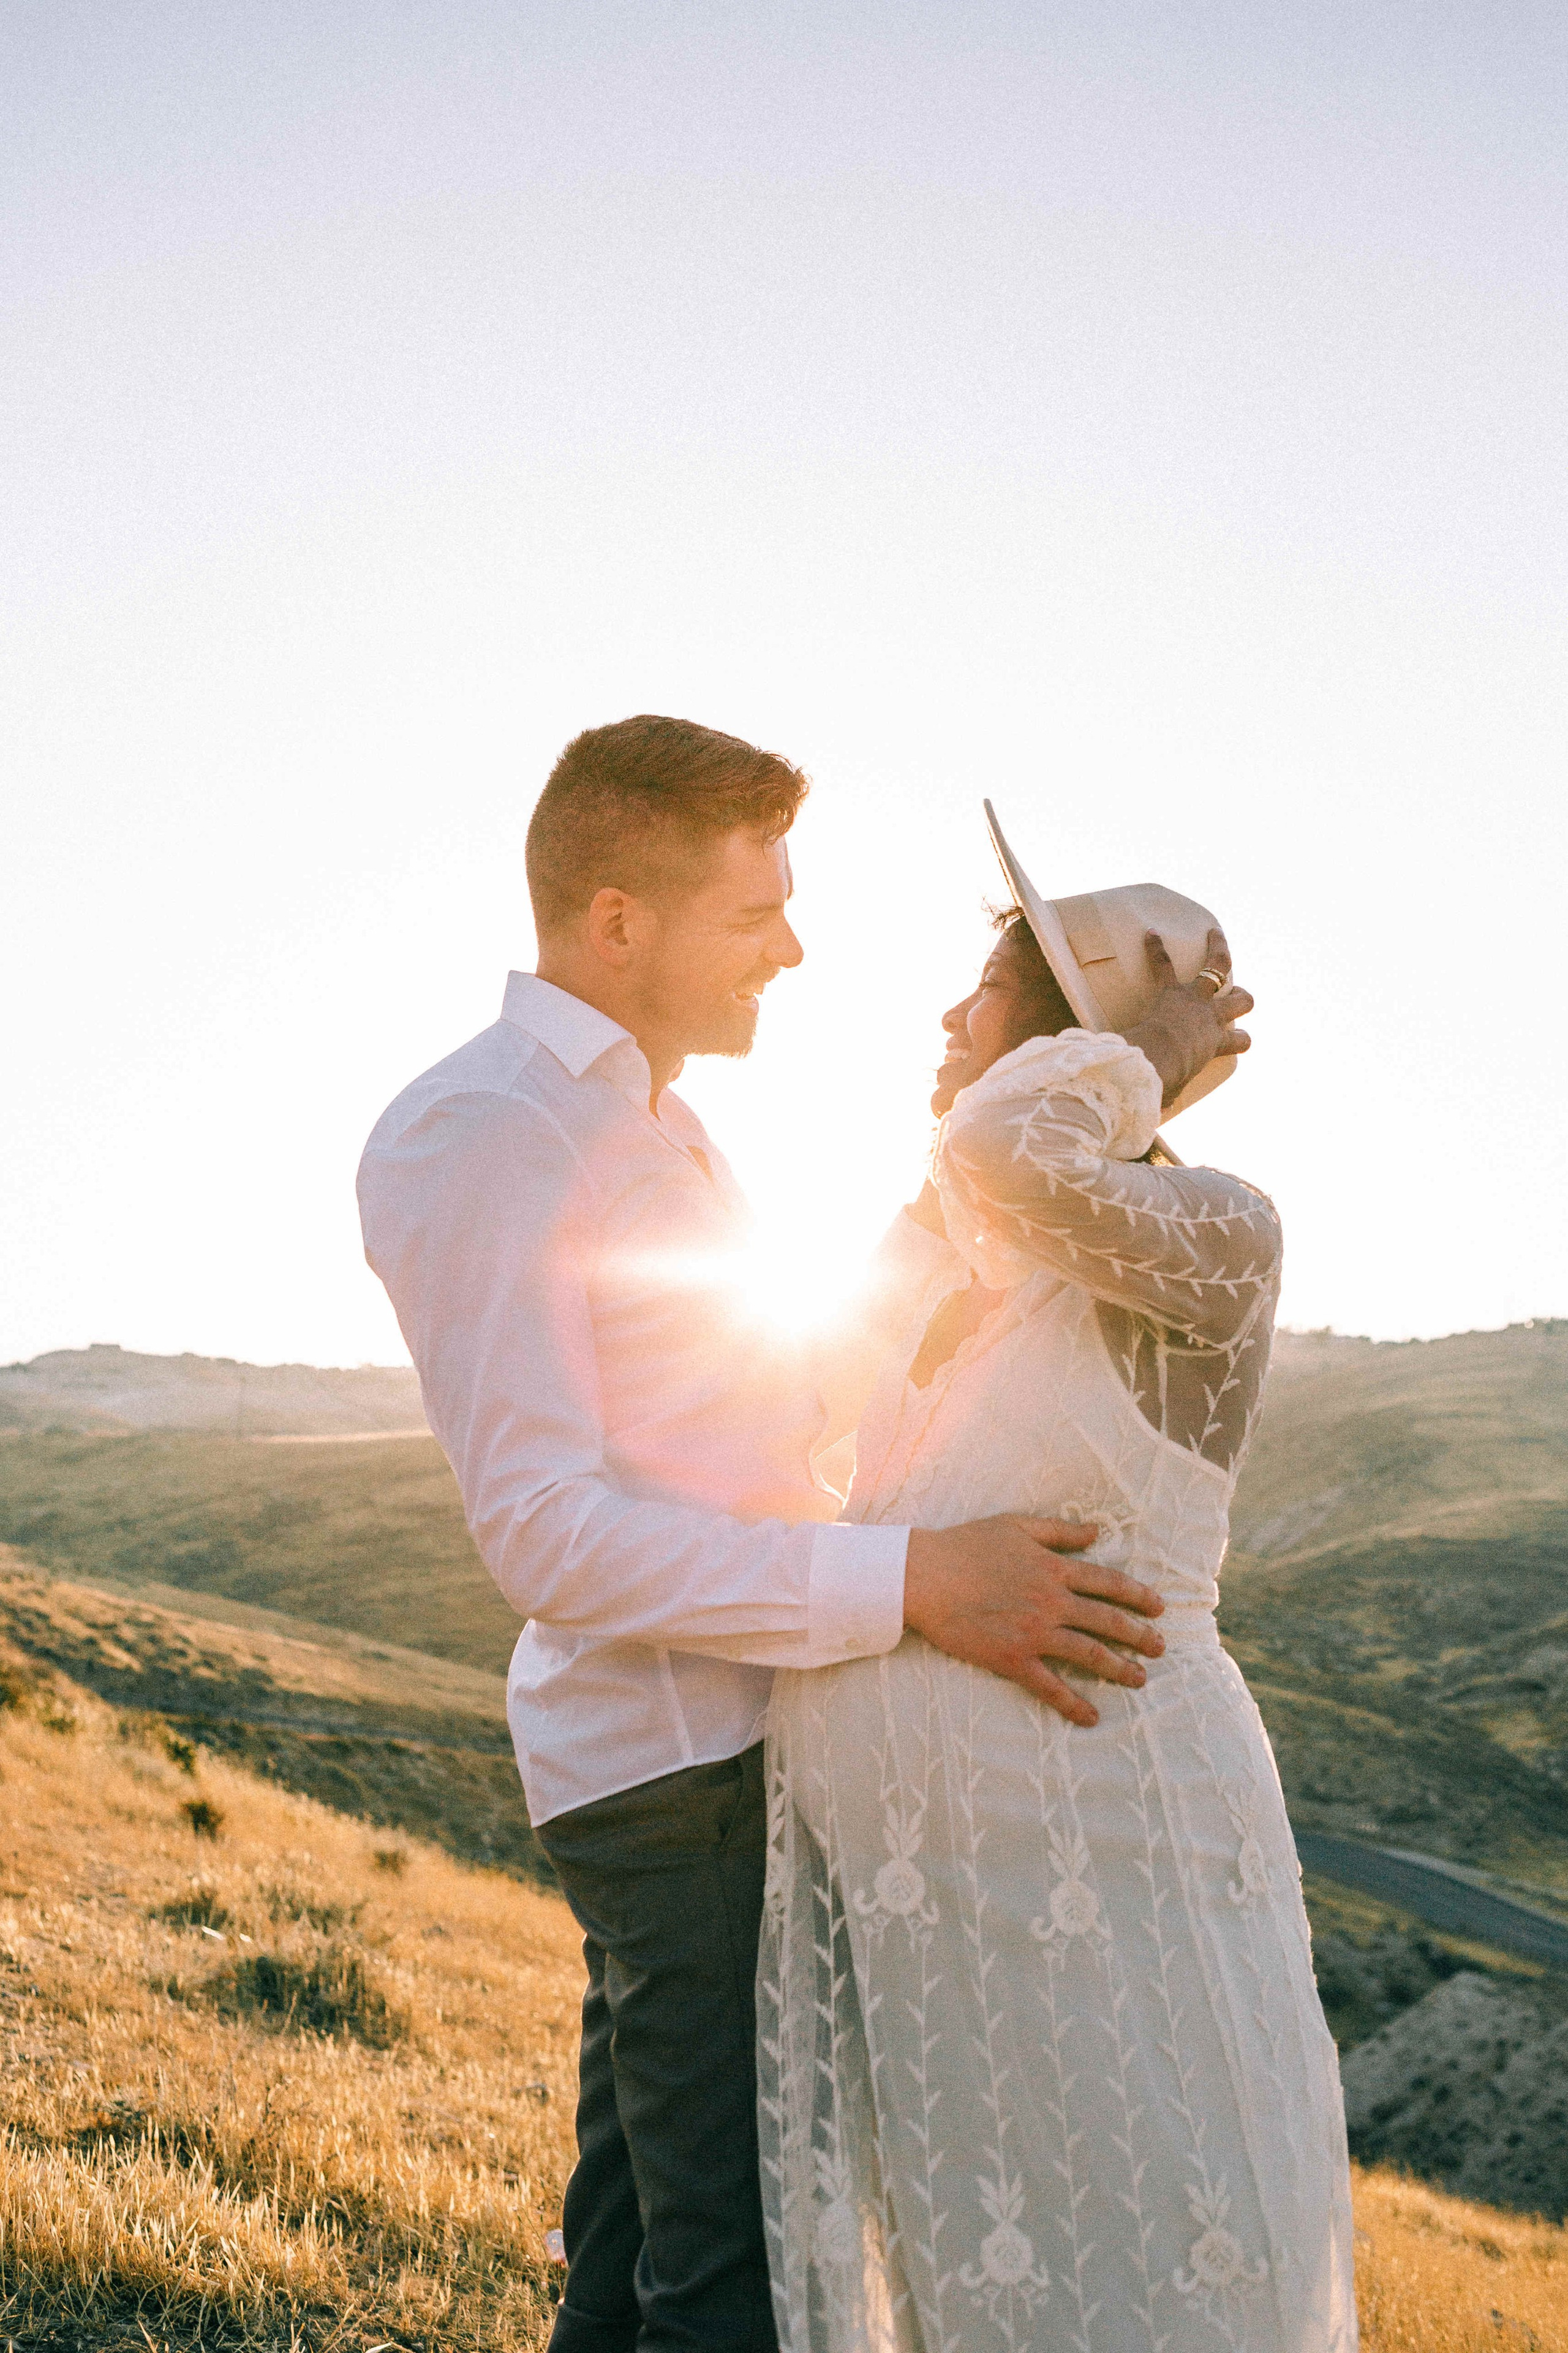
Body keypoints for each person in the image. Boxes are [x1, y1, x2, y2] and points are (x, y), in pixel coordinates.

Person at [356, 722, 1169, 2353]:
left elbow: (761, 1404)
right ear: (617, 923)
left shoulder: (659, 1121)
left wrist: (944, 1230)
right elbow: (548, 1537)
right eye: (756, 916)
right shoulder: (484, 1130)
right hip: (673, 1776)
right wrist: (918, 1580)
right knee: (735, 2281)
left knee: (644, 2236)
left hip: (728, 1753)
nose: (794, 947)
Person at [758, 811, 1357, 2353]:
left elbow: (998, 1150)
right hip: (941, 1930)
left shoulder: (1216, 1232)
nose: (949, 1021)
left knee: (1146, 2261)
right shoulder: (955, 1260)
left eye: (983, 988)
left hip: (1115, 1867)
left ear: (1071, 1029)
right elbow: (782, 1406)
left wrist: (1142, 1054)